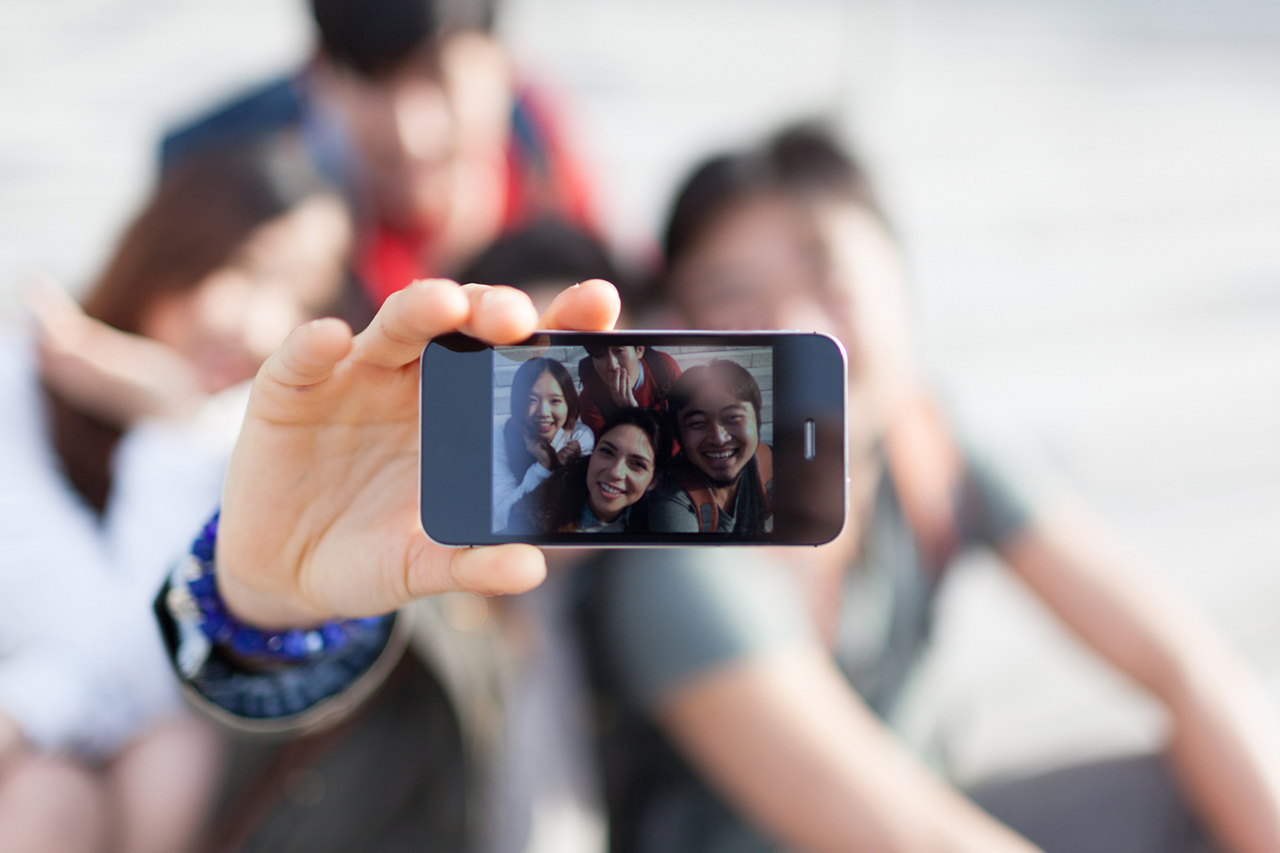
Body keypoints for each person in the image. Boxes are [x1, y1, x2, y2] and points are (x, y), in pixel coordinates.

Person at [579, 125, 1280, 853]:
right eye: (734, 299)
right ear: (677, 341)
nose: (795, 325)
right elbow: (902, 835)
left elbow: (1192, 666)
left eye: (830, 279)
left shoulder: (925, 446)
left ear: (902, 289)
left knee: (1197, 788)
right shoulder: (675, 552)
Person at [0, 135, 353, 853]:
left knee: (170, 748)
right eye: (248, 270)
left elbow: (161, 659)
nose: (262, 326)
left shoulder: (221, 440)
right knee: (56, 795)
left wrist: (170, 423)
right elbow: (83, 629)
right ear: (177, 248)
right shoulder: (17, 381)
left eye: (302, 300)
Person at [161, 0, 598, 310]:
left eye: (438, 78)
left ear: (504, 64)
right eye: (374, 82)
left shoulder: (545, 153)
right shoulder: (221, 178)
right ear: (318, 75)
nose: (412, 134)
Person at [647, 359, 772, 536]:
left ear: (758, 421)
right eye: (698, 423)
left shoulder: (777, 466)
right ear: (679, 434)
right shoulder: (671, 499)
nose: (719, 439)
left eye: (733, 418)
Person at [507, 407, 665, 534]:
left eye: (637, 464)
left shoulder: (657, 527)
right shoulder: (530, 525)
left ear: (653, 480)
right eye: (607, 452)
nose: (615, 472)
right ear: (593, 452)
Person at [492, 356, 595, 532]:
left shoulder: (579, 437)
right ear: (518, 401)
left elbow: (577, 510)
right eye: (532, 400)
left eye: (555, 401)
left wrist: (566, 468)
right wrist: (543, 467)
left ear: (569, 403)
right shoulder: (501, 436)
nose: (543, 412)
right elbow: (506, 512)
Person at [576, 344, 681, 438]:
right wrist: (628, 412)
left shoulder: (663, 367)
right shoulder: (590, 400)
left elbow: (683, 427)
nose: (613, 366)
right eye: (599, 355)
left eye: (619, 351)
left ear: (639, 350)